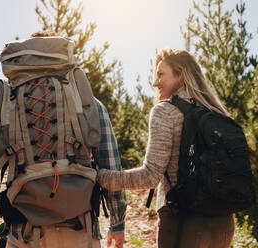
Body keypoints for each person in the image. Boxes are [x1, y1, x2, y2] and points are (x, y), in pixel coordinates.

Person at [0, 31, 126, 248]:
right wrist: (117, 223)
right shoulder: (89, 103)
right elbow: (112, 169)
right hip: (80, 228)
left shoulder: (6, 105)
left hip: (24, 231)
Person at [97, 49, 235, 248]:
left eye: (161, 74)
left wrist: (102, 177)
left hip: (183, 220)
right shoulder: (216, 112)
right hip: (224, 221)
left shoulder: (165, 111)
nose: (155, 83)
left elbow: (150, 176)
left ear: (179, 74)